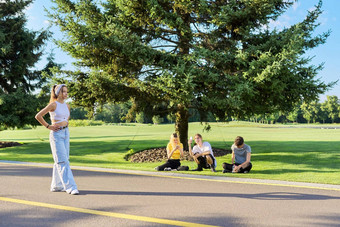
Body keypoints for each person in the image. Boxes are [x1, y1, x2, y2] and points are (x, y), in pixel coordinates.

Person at [35, 84, 79, 195]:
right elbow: (38, 116)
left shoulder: (67, 105)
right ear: (58, 92)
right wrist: (48, 126)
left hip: (66, 133)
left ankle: (57, 185)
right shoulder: (53, 105)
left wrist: (65, 125)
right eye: (63, 91)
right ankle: (70, 187)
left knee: (62, 159)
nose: (66, 94)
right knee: (62, 161)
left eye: (66, 92)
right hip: (56, 134)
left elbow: (66, 118)